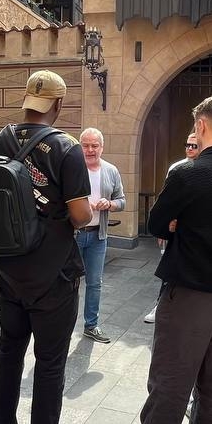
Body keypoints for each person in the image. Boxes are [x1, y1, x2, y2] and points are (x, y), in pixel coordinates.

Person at [94, 96, 212, 424]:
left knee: (171, 375)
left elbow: (156, 223)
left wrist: (178, 224)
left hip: (191, 287)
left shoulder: (188, 173)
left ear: (201, 125)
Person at [0, 70, 92, 424]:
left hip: (9, 267)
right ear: (58, 104)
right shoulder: (66, 147)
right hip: (52, 272)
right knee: (49, 362)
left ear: (28, 100)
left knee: (9, 350)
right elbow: (80, 215)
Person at [144, 133, 199, 324]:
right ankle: (160, 305)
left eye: (194, 145)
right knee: (168, 269)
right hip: (174, 229)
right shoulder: (177, 168)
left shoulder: (204, 168)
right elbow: (167, 199)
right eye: (187, 145)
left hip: (193, 231)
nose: (190, 148)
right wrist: (164, 227)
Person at [77, 128, 125, 344]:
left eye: (94, 146)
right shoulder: (72, 169)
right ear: (80, 147)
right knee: (67, 282)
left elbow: (122, 201)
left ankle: (91, 326)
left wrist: (110, 204)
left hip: (98, 235)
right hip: (74, 235)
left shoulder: (111, 170)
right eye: (85, 145)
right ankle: (63, 326)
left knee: (95, 283)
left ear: (102, 148)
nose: (90, 150)